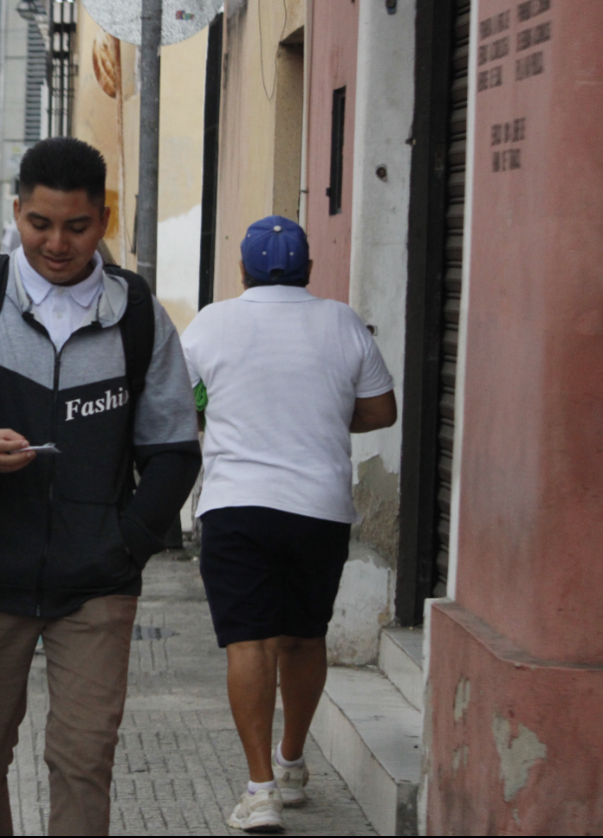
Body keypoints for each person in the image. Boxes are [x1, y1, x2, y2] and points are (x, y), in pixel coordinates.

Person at [0, 137, 201, 836]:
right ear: (15, 211)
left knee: (82, 760)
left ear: (100, 220)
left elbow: (172, 449)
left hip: (95, 584)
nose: (56, 243)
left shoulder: (136, 313)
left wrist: (123, 546)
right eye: (39, 223)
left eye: (75, 226)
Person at [179, 216, 397, 833]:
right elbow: (382, 409)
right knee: (304, 637)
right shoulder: (341, 320)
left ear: (242, 269)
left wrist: (222, 409)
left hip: (236, 505)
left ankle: (261, 791)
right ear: (308, 270)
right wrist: (324, 414)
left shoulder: (212, 322)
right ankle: (294, 763)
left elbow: (181, 401)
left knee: (250, 642)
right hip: (318, 508)